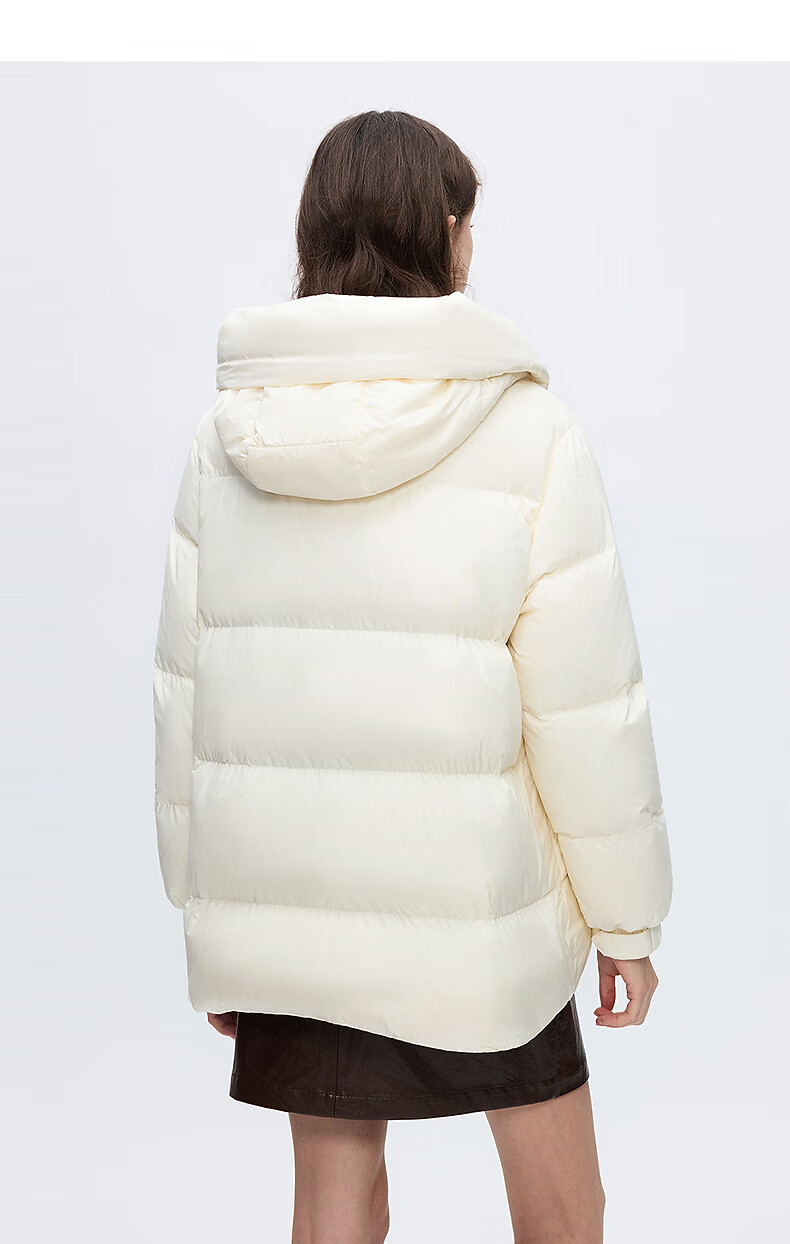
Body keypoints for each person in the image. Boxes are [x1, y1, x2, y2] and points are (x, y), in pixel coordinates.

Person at [153, 110, 672, 1244]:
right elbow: (583, 707)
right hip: (481, 913)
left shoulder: (229, 433)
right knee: (564, 1210)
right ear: (443, 228)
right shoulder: (528, 429)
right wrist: (627, 923)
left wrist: (214, 924)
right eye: (467, 220)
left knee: (336, 1208)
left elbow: (186, 694)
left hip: (292, 908)